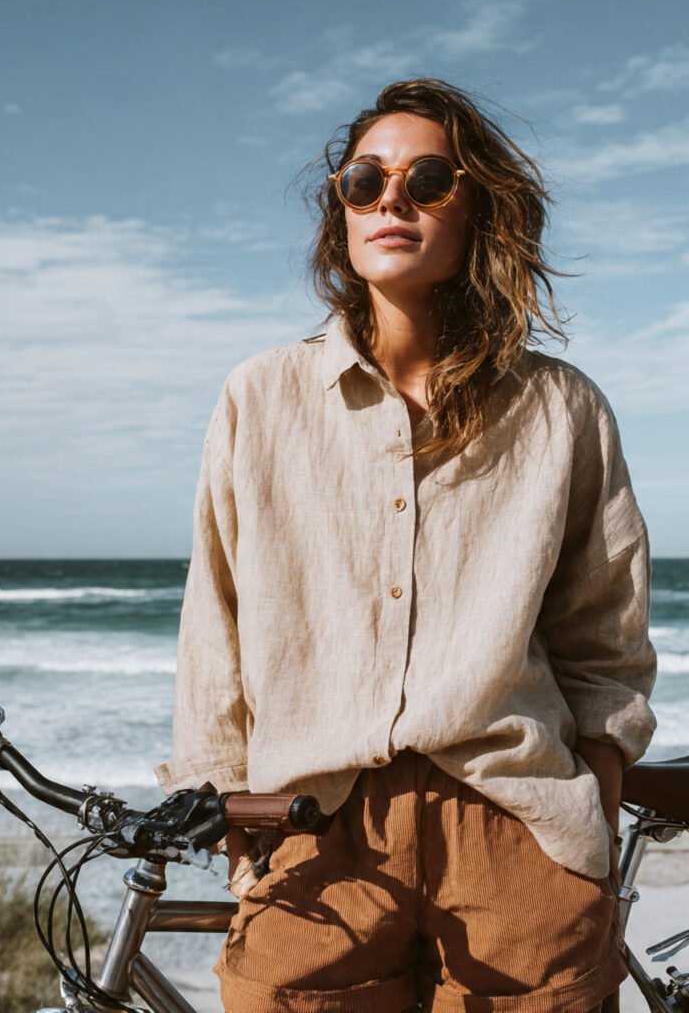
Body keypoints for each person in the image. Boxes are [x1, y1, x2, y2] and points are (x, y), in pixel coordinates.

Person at [155, 78, 657, 1013]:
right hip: (313, 833)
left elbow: (606, 638)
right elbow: (212, 623)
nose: (391, 198)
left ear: (480, 212)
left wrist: (593, 800)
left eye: (429, 178)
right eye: (364, 180)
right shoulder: (258, 398)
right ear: (340, 211)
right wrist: (225, 800)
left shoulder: (563, 409)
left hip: (514, 832)